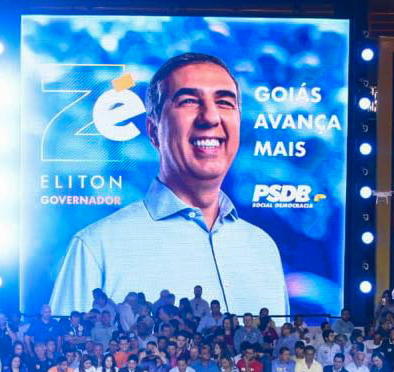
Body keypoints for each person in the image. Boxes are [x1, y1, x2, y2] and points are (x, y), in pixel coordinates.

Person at [48, 53, 288, 316]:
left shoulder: (263, 248)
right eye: (188, 101)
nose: (210, 117)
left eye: (224, 102)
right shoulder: (96, 248)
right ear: (153, 131)